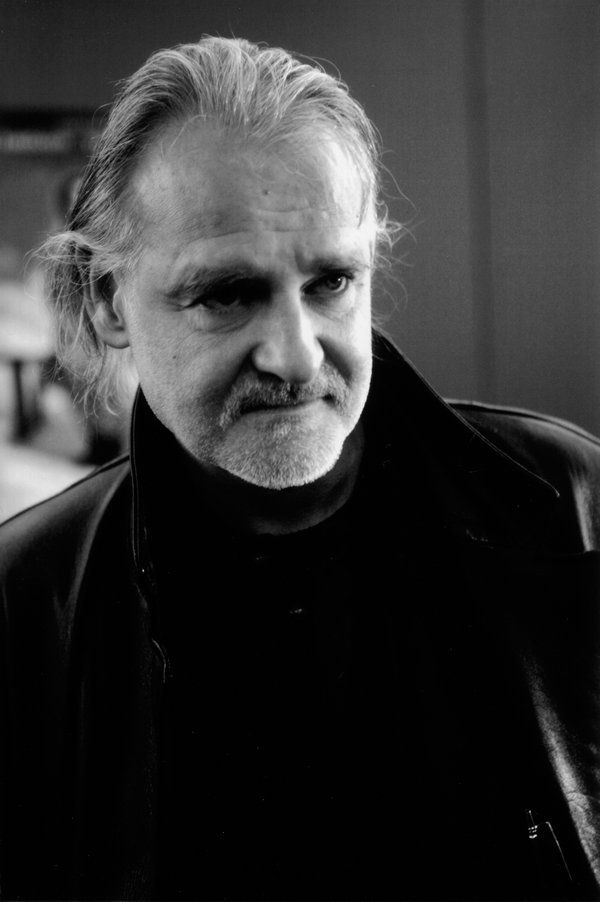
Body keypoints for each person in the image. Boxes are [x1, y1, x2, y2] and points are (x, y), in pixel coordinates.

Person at [1, 36, 599, 902]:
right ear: (107, 303)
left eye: (331, 283)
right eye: (226, 294)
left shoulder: (571, 508)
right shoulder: (25, 609)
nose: (294, 356)